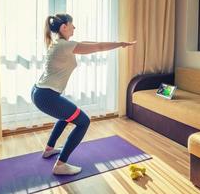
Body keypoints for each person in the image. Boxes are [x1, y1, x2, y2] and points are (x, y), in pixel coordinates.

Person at [31, 13, 136, 175]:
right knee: (83, 121)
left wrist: (118, 43)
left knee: (67, 115)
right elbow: (99, 47)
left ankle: (49, 149)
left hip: (40, 92)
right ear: (64, 27)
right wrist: (121, 44)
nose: (74, 27)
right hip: (46, 96)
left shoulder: (60, 43)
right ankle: (61, 164)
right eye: (72, 24)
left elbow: (89, 43)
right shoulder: (65, 46)